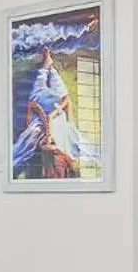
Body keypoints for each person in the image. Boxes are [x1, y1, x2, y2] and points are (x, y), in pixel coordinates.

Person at [10, 45, 96, 178]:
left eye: (45, 143)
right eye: (53, 142)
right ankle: (51, 68)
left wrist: (41, 113)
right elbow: (67, 100)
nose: (48, 138)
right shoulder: (66, 135)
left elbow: (31, 106)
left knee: (38, 90)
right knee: (58, 88)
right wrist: (55, 112)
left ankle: (46, 67)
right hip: (57, 102)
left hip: (41, 102)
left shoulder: (34, 134)